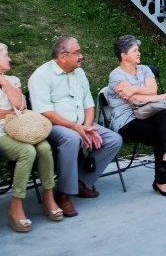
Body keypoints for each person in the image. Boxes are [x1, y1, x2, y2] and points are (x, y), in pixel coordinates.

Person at [0, 43, 62, 232]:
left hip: (19, 128)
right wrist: (13, 112)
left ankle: (48, 198)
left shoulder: (12, 80)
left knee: (44, 148)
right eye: (5, 55)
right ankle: (15, 207)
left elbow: (21, 105)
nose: (9, 59)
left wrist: (4, 82)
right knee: (27, 151)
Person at [28, 37, 123, 217]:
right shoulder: (41, 76)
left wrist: (87, 127)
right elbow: (45, 112)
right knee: (71, 139)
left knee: (113, 140)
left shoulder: (79, 73)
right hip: (53, 125)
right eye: (77, 52)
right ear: (63, 57)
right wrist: (75, 128)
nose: (81, 56)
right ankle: (63, 195)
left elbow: (89, 104)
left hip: (80, 123)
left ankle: (80, 182)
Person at [106, 36, 166, 197]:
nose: (139, 53)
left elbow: (151, 90)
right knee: (162, 134)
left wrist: (134, 89)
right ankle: (162, 179)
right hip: (127, 120)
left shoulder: (145, 69)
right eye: (134, 50)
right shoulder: (116, 76)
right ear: (124, 55)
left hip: (148, 112)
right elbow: (136, 100)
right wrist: (161, 96)